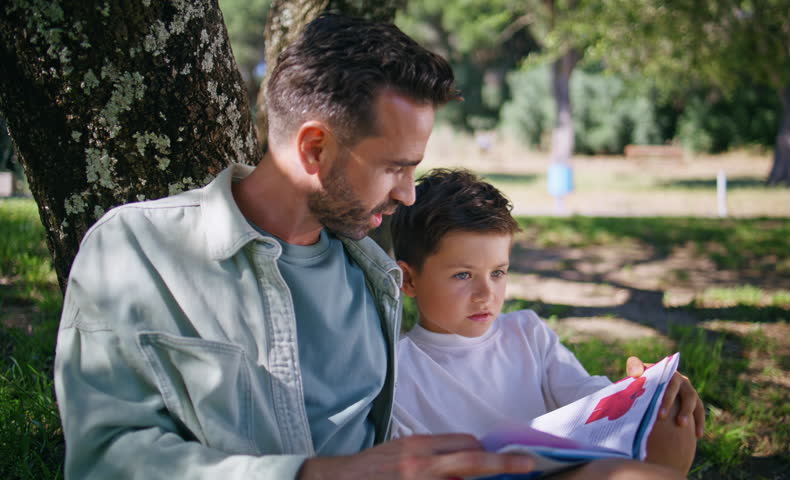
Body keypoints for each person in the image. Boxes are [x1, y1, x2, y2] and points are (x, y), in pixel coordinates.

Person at [54, 14, 537, 480]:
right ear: (314, 149)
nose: (408, 194)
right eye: (395, 167)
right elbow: (106, 460)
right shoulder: (137, 250)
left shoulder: (374, 273)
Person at [389, 169, 704, 477]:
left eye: (498, 273)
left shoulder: (527, 333)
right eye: (463, 275)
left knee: (671, 411)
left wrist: (643, 391)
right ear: (409, 280)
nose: (486, 294)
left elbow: (590, 401)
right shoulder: (398, 369)